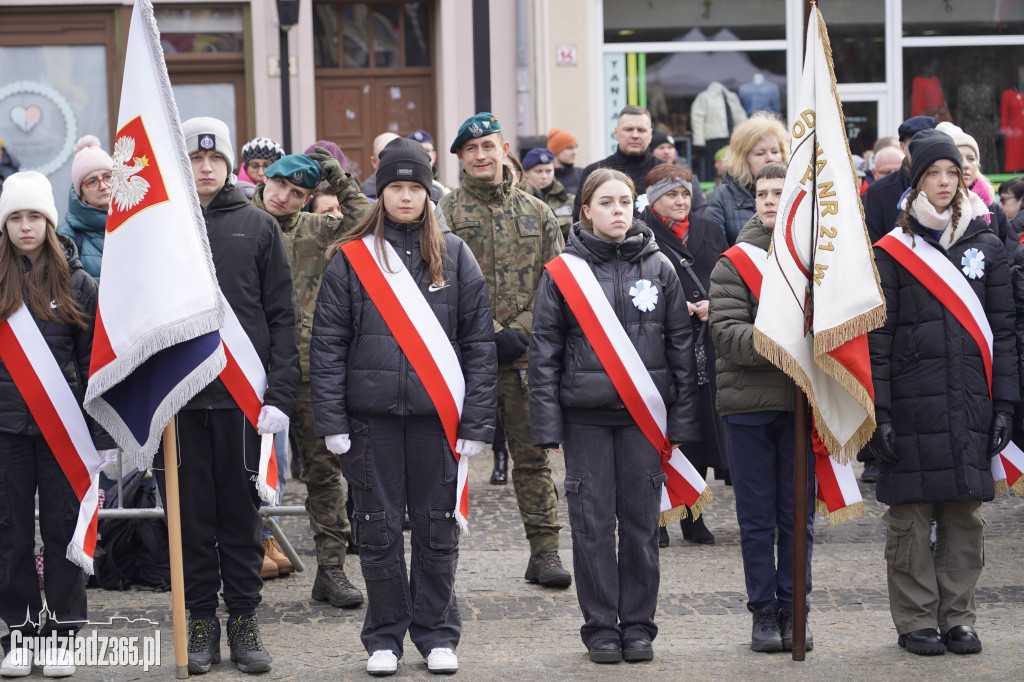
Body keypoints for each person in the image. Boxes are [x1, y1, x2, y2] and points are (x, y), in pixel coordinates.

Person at [310, 137, 496, 676]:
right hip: (371, 423)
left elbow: (479, 344)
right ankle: (385, 636)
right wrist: (333, 422)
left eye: (416, 187)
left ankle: (437, 633)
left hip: (438, 420)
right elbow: (327, 346)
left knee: (438, 527)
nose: (407, 197)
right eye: (397, 187)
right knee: (377, 529)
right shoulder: (351, 258)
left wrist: (478, 422)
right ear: (381, 192)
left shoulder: (456, 254)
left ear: (428, 193)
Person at [530, 168, 698, 665]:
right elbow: (545, 354)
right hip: (586, 419)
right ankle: (601, 627)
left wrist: (684, 421)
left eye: (625, 201)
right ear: (586, 209)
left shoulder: (661, 267)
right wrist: (547, 425)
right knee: (593, 526)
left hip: (643, 420)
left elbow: (681, 349)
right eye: (606, 202)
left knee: (643, 526)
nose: (618, 210)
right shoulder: (562, 272)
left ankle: (639, 627)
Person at [157, 117, 301, 675]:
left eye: (216, 160)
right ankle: (199, 621)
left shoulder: (258, 226)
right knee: (190, 520)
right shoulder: (163, 229)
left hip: (243, 402)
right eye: (196, 159)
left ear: (230, 164)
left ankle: (243, 619)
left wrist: (280, 395)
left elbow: (283, 318)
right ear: (183, 163)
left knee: (241, 521)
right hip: (182, 405)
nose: (207, 168)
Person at [869, 129, 1017, 657]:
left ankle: (959, 616)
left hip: (971, 403)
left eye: (951, 173)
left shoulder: (986, 244)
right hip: (910, 403)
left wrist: (1006, 405)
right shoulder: (891, 252)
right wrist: (878, 411)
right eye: (933, 173)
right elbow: (877, 338)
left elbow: (1005, 330)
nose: (943, 182)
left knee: (964, 515)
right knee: (910, 517)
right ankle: (915, 620)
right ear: (917, 180)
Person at [440, 112, 571, 588]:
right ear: (459, 157)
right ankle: (440, 558)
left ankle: (545, 553)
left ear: (504, 149)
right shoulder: (444, 214)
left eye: (488, 147)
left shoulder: (537, 212)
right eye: (470, 150)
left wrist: (520, 329)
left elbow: (558, 281)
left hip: (523, 360)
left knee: (533, 458)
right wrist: (490, 330)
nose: (480, 156)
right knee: (445, 459)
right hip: (461, 360)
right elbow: (434, 282)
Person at [0, 171, 110, 678]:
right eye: (15, 218)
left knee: (65, 531)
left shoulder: (78, 281)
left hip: (63, 431)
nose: (25, 227)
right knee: (11, 534)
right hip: (5, 433)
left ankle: (63, 633)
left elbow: (93, 366)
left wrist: (103, 438)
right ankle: (17, 632)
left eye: (34, 217)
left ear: (49, 220)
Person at [252, 149, 371, 609]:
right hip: (251, 370)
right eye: (279, 185)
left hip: (308, 372)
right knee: (243, 475)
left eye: (298, 193)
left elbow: (364, 219)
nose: (283, 197)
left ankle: (332, 570)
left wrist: (337, 179)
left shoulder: (318, 231)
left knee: (324, 475)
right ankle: (245, 567)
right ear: (264, 179)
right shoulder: (240, 223)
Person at [709, 161, 816, 653]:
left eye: (781, 192)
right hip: (747, 406)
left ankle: (797, 609)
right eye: (764, 193)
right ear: (754, 201)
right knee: (757, 519)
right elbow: (728, 337)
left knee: (797, 517)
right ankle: (764, 612)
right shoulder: (733, 262)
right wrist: (786, 342)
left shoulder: (816, 259)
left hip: (800, 406)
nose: (772, 200)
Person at [638, 163, 728, 547]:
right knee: (659, 432)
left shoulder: (709, 229)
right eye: (671, 194)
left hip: (707, 347)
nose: (680, 200)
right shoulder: (640, 234)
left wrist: (716, 304)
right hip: (661, 348)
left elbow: (729, 276)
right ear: (655, 199)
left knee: (699, 432)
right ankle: (655, 516)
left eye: (685, 193)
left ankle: (694, 513)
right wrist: (677, 309)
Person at [703, 113, 789, 245]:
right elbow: (714, 252)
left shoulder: (796, 191)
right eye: (760, 153)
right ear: (743, 160)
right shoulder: (721, 197)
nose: (770, 158)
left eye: (775, 151)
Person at [936, 122, 1017, 253]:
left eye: (971, 159)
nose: (966, 165)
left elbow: (1008, 254)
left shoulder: (993, 207)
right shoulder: (933, 207)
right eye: (958, 158)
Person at [573, 106, 663, 221]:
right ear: (616, 133)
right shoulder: (593, 172)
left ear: (650, 135)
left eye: (641, 130)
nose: (635, 135)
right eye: (628, 129)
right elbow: (581, 221)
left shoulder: (666, 174)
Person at [863, 116, 939, 244]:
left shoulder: (953, 185)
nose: (924, 151)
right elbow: (873, 248)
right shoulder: (878, 192)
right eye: (915, 145)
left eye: (931, 145)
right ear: (902, 147)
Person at [57, 136, 113, 283]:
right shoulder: (67, 237)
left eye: (108, 177)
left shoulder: (135, 221)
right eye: (92, 182)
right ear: (81, 193)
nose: (103, 186)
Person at [648, 131, 708, 220]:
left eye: (670, 147)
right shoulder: (647, 179)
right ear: (651, 152)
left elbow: (701, 207)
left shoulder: (690, 178)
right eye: (661, 148)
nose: (666, 151)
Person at [522, 147, 574, 239]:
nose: (544, 176)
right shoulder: (519, 201)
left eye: (548, 171)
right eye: (538, 171)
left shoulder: (569, 200)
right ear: (525, 173)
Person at [406, 130, 451, 200]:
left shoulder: (446, 192)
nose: (423, 155)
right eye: (416, 151)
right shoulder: (396, 188)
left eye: (427, 151)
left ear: (434, 156)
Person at [361, 133, 401, 200]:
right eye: (386, 162)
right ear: (374, 162)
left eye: (398, 160)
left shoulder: (419, 188)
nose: (393, 167)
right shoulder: (360, 196)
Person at [548, 128, 583, 196]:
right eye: (569, 148)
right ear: (555, 151)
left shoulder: (583, 174)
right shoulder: (546, 178)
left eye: (575, 148)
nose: (575, 152)